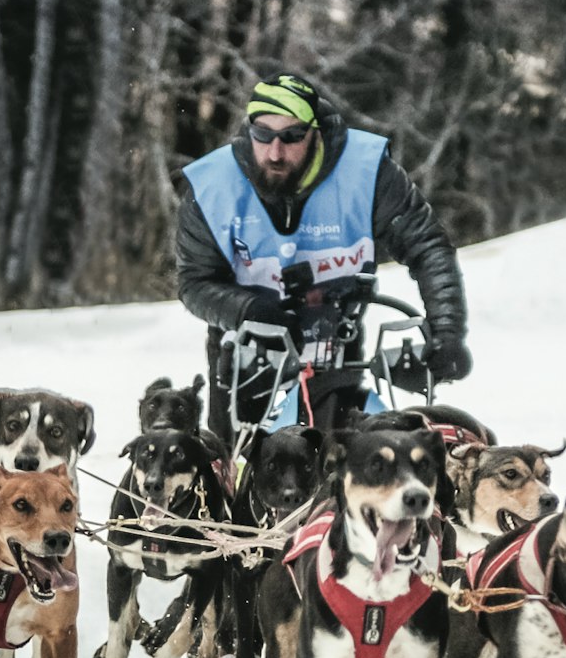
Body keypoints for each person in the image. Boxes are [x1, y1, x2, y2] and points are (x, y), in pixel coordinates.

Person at [175, 72, 473, 444]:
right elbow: (193, 282)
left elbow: (427, 246)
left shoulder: (366, 171)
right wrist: (247, 309)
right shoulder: (212, 185)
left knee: (336, 459)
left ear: (315, 132)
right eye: (263, 135)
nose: (275, 151)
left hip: (335, 338)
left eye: (292, 136)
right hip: (246, 348)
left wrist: (446, 330)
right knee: (239, 467)